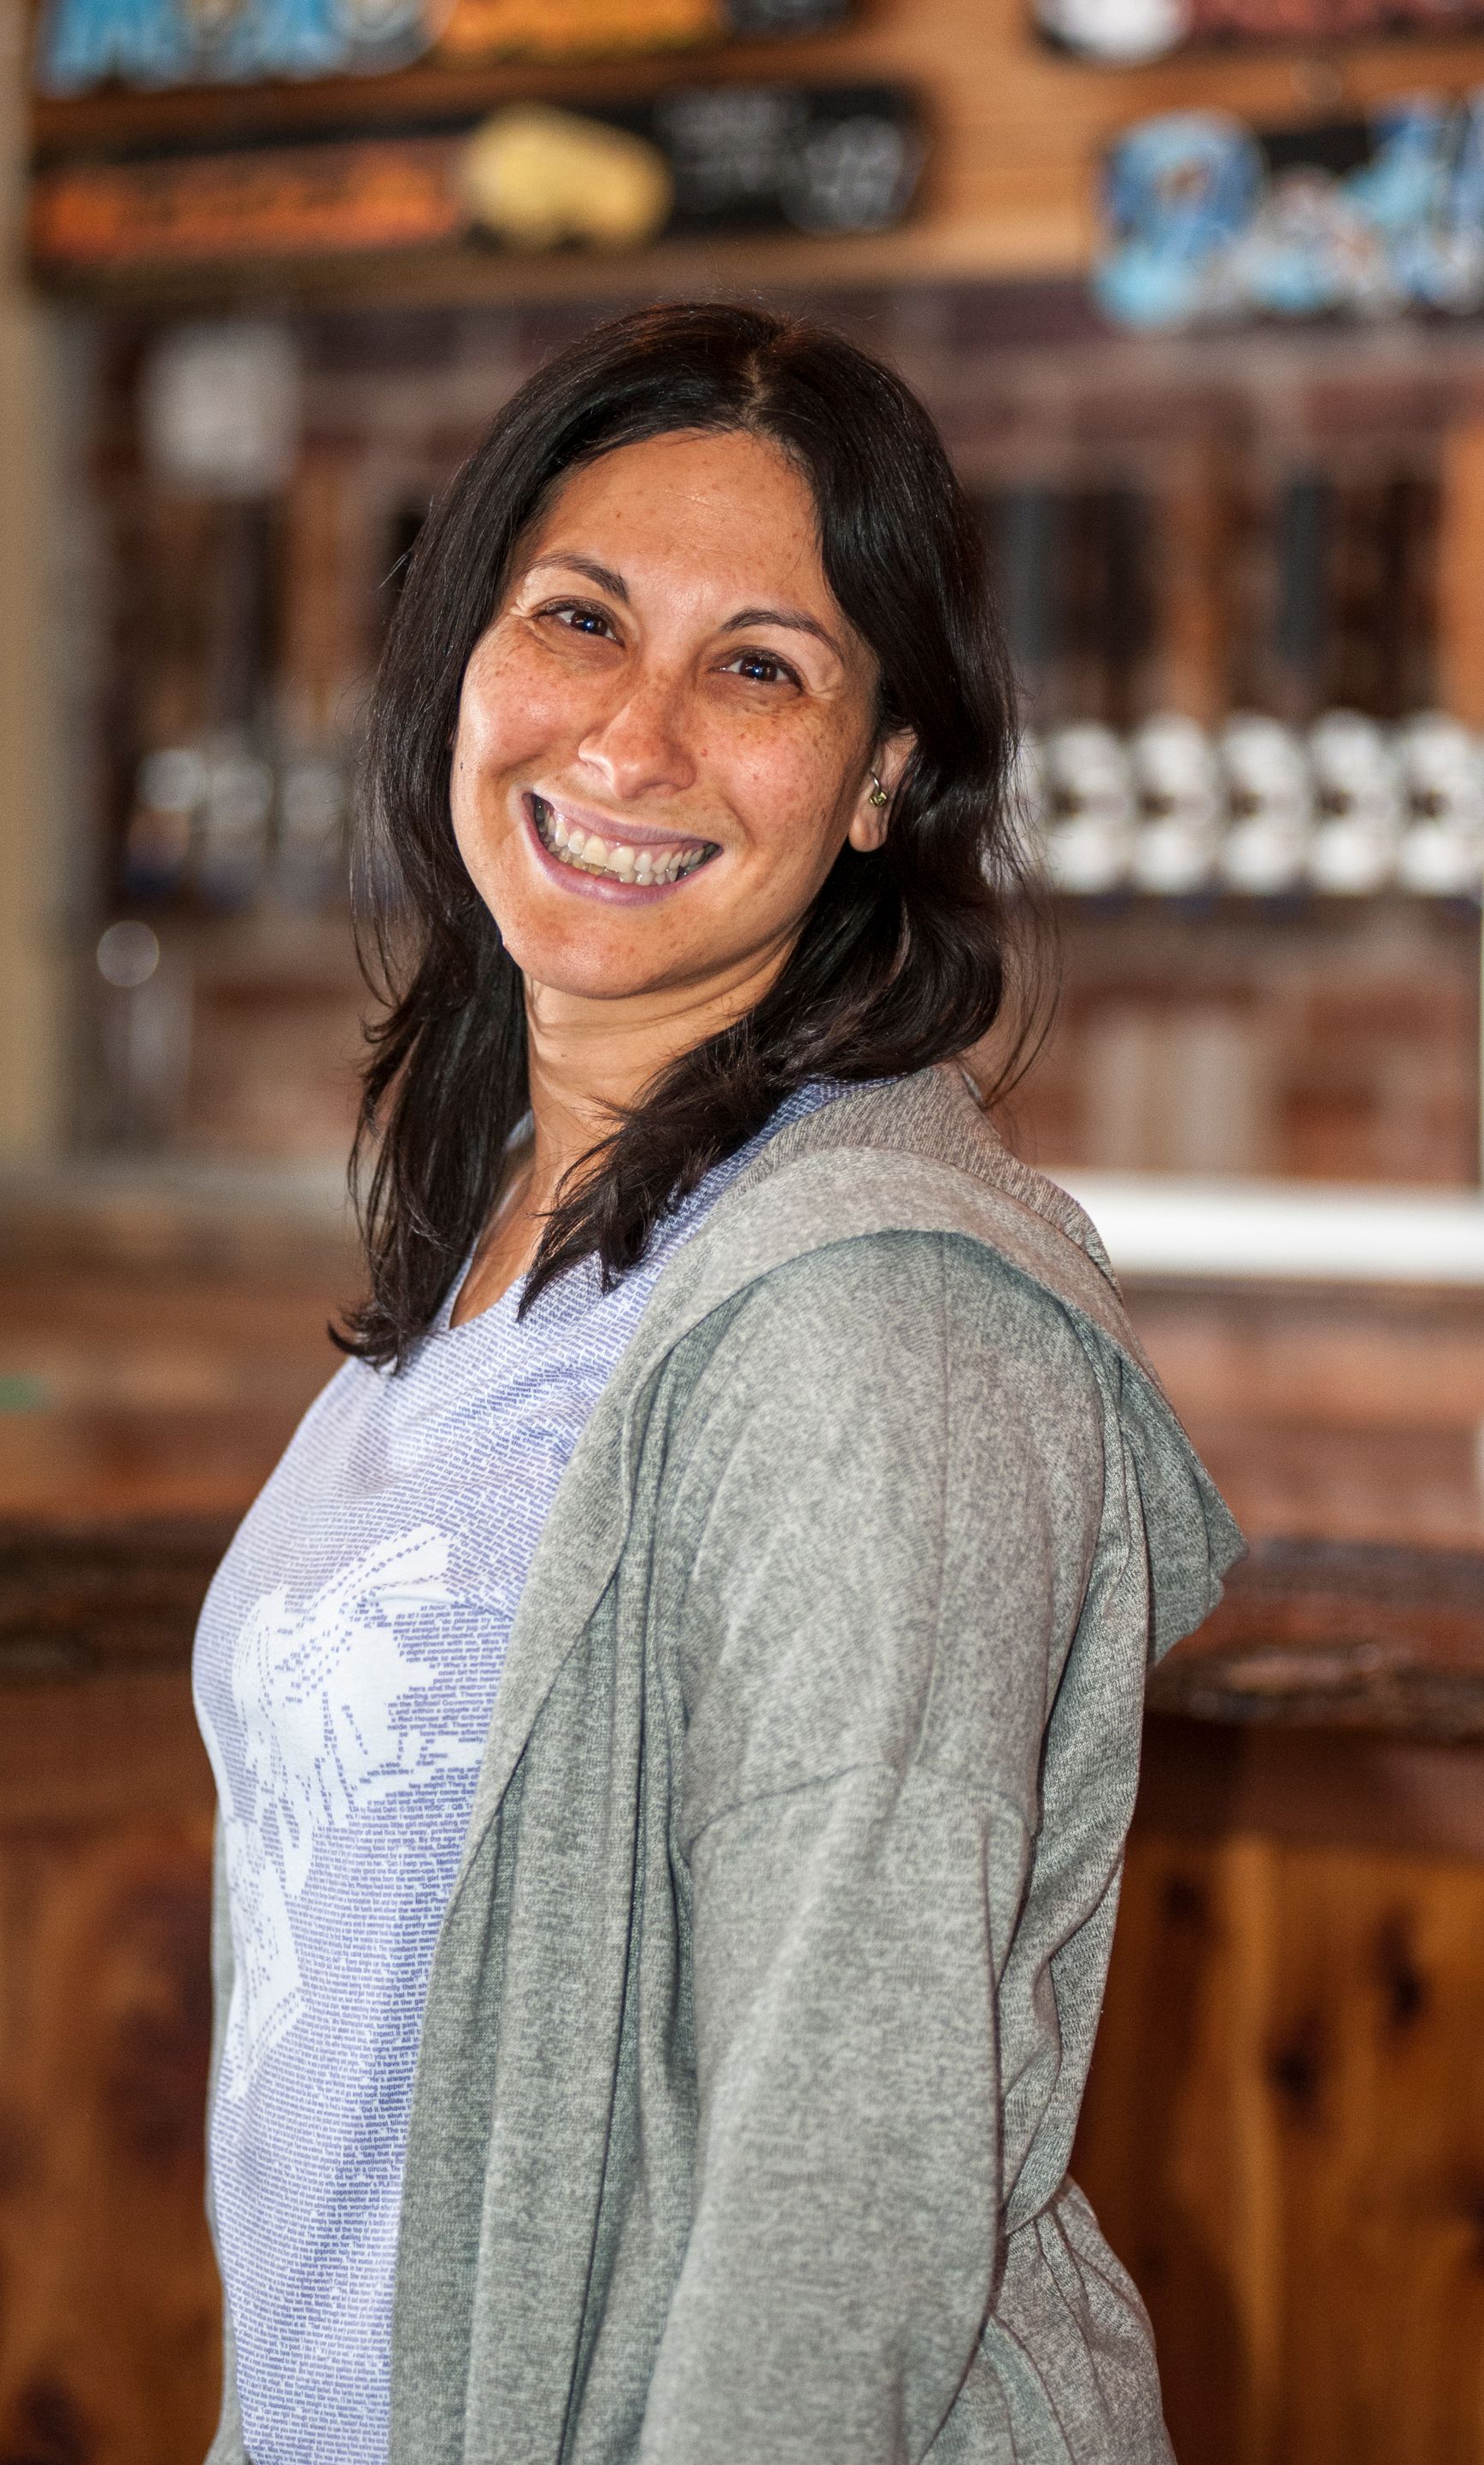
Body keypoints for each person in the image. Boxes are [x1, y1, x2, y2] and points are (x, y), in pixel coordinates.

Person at [192, 302, 1242, 2465]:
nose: (634, 735)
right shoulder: (491, 1251)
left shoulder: (874, 1326)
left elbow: (833, 2204)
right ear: (462, 659)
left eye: (758, 666)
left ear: (885, 779)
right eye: (579, 617)